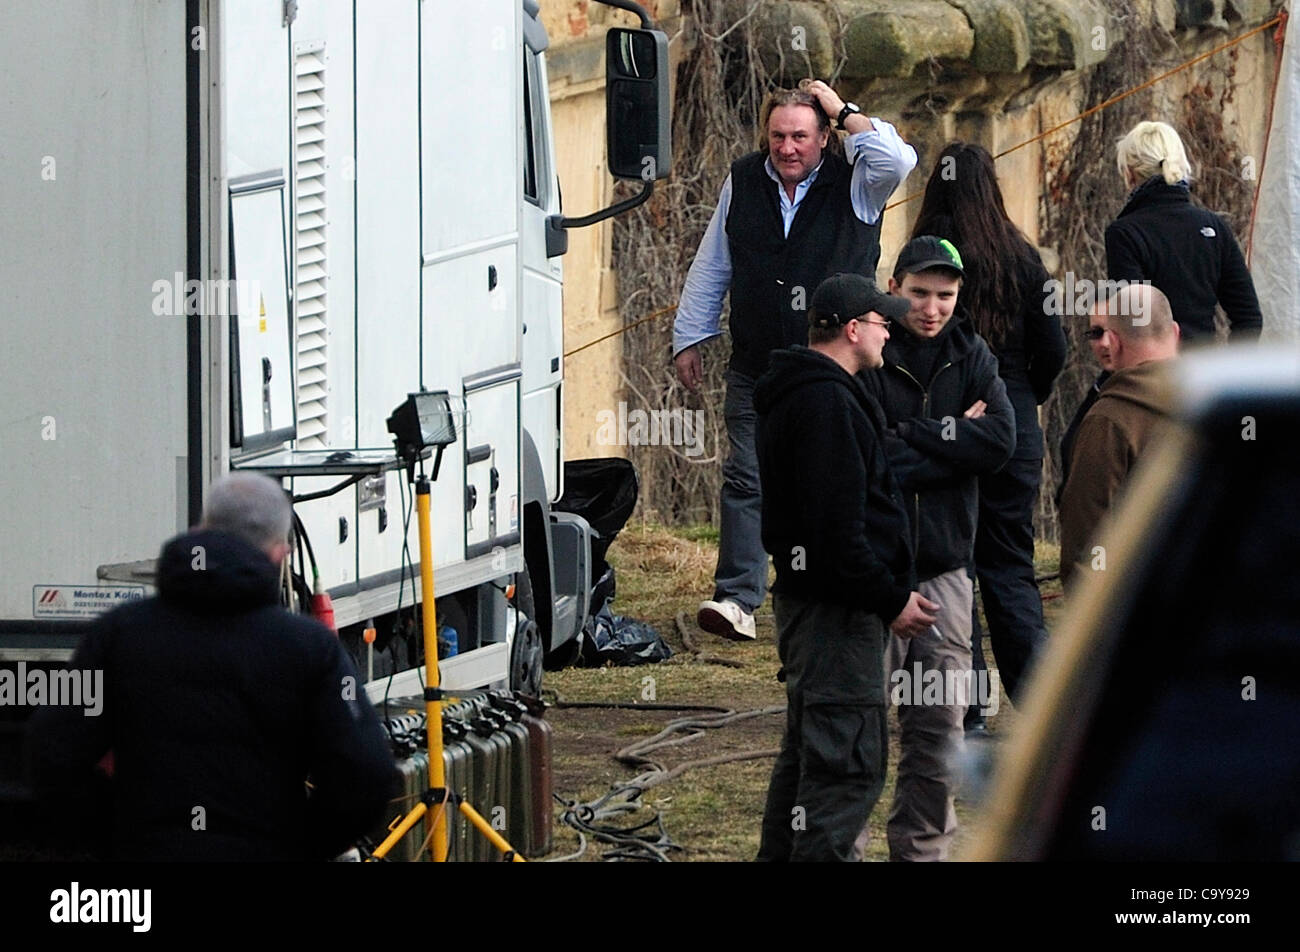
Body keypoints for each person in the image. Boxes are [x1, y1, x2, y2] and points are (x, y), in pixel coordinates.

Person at [29, 472, 398, 861]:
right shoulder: (310, 649)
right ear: (279, 553)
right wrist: (299, 845)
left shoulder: (117, 635)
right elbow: (366, 777)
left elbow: (51, 753)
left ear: (201, 529)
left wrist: (116, 835)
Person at [673, 79, 916, 641]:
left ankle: (840, 584)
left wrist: (841, 107)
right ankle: (737, 598)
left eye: (802, 136)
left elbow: (897, 157)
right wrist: (690, 335)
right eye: (778, 135)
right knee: (746, 477)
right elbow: (715, 262)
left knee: (843, 475)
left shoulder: (858, 181)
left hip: (838, 369)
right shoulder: (743, 180)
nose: (787, 148)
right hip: (758, 362)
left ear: (824, 136)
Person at [753, 272, 936, 862]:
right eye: (883, 322)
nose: (890, 333)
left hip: (817, 606)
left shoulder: (808, 391)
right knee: (843, 768)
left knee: (808, 763)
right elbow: (836, 532)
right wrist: (891, 599)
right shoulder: (825, 401)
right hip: (837, 614)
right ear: (853, 329)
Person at [858, 236, 1016, 861]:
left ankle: (923, 853)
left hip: (947, 572)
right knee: (860, 729)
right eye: (919, 293)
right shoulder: (869, 352)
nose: (931, 308)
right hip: (875, 571)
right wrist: (952, 441)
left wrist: (912, 438)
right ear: (894, 287)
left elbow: (1000, 442)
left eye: (945, 296)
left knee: (939, 732)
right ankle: (841, 847)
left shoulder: (973, 355)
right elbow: (871, 457)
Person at [910, 142, 1067, 717]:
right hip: (1014, 428)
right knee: (1009, 566)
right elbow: (1054, 348)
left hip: (946, 430)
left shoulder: (926, 261)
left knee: (952, 567)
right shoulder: (1022, 258)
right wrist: (1024, 404)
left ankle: (967, 703)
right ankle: (1042, 705)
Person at [1059, 284, 1180, 590]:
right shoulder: (1224, 406)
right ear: (1175, 332)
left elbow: (1087, 544)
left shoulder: (1109, 421)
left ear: (1112, 341)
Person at [1107, 120, 1262, 344]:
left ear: (1129, 174)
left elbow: (1133, 322)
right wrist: (1230, 373)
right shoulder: (1214, 227)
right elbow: (1248, 317)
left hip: (1155, 374)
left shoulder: (1124, 233)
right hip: (1204, 372)